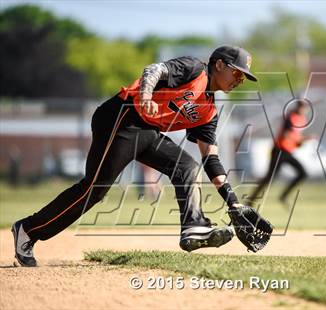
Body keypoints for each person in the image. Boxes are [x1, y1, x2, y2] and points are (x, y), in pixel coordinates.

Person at [11, 45, 258, 267]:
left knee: (187, 166)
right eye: (237, 73)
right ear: (219, 64)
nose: (240, 80)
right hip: (122, 117)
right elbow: (154, 70)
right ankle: (28, 230)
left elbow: (211, 160)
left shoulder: (209, 111)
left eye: (244, 78)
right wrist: (146, 95)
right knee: (94, 190)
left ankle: (193, 227)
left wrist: (233, 201)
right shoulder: (195, 69)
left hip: (147, 131)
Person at [249, 99, 311, 206]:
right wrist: (302, 140)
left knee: (303, 173)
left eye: (304, 107)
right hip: (279, 150)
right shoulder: (291, 117)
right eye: (301, 106)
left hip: (288, 151)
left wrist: (300, 142)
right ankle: (250, 201)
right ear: (298, 106)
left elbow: (296, 138)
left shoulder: (302, 119)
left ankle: (283, 196)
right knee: (269, 178)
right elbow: (287, 134)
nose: (303, 109)